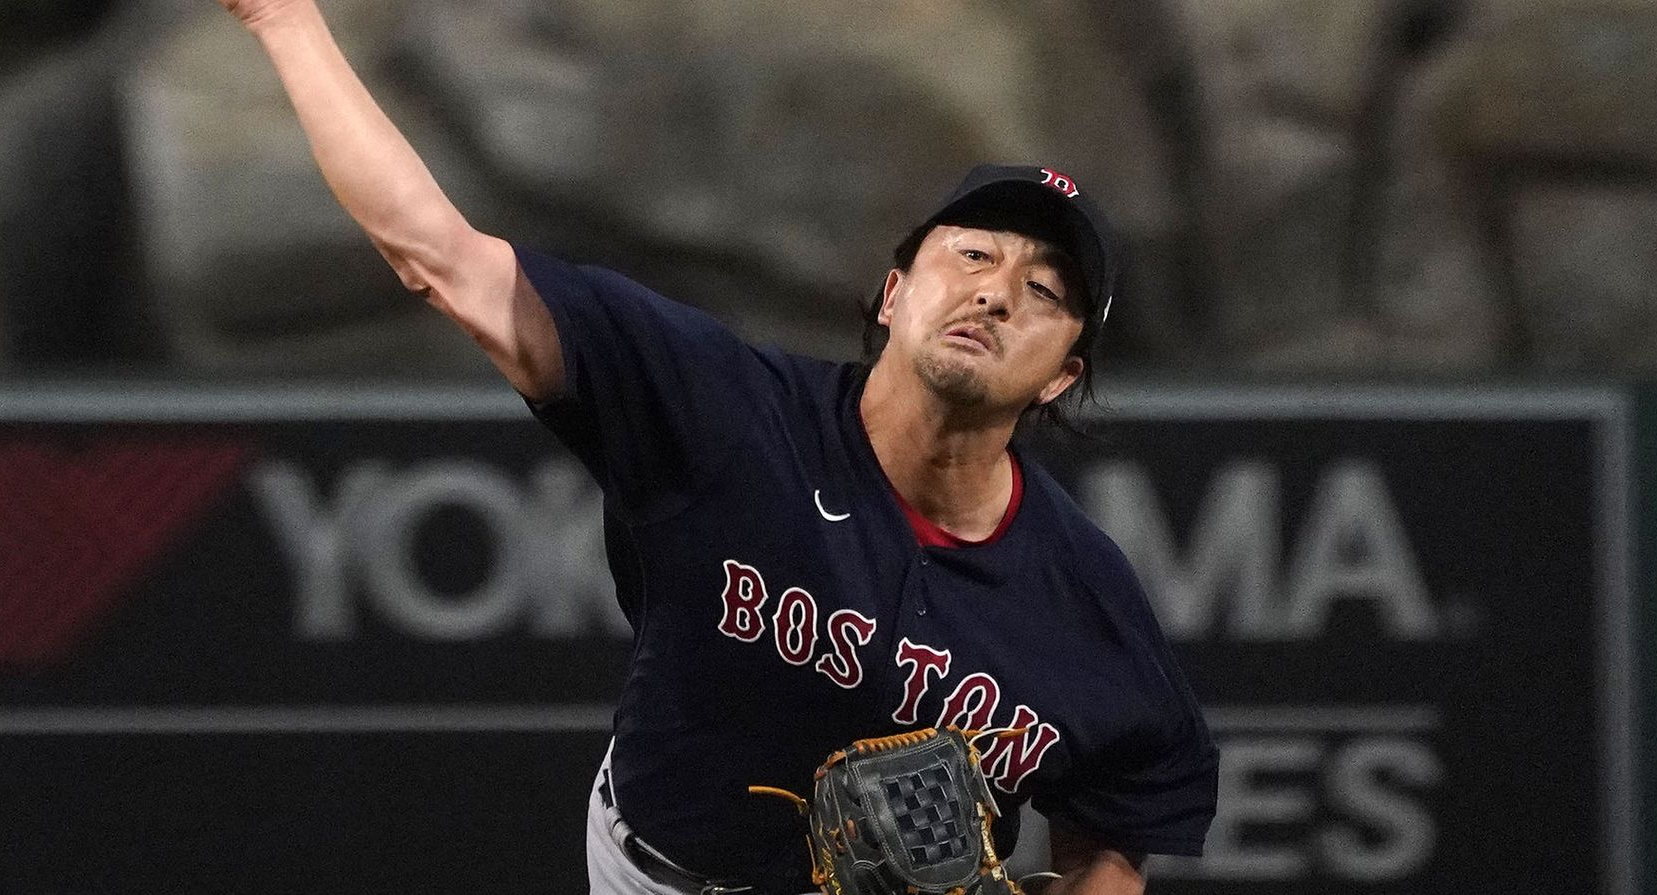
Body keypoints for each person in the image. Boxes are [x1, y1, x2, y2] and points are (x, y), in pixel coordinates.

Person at [213, 1, 1218, 892]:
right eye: (971, 254)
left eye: (1043, 292)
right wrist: (283, 20)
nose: (996, 292)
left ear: (1060, 376)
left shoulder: (1086, 597)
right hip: (660, 876)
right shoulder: (726, 410)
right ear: (893, 293)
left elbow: (1120, 822)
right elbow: (443, 258)